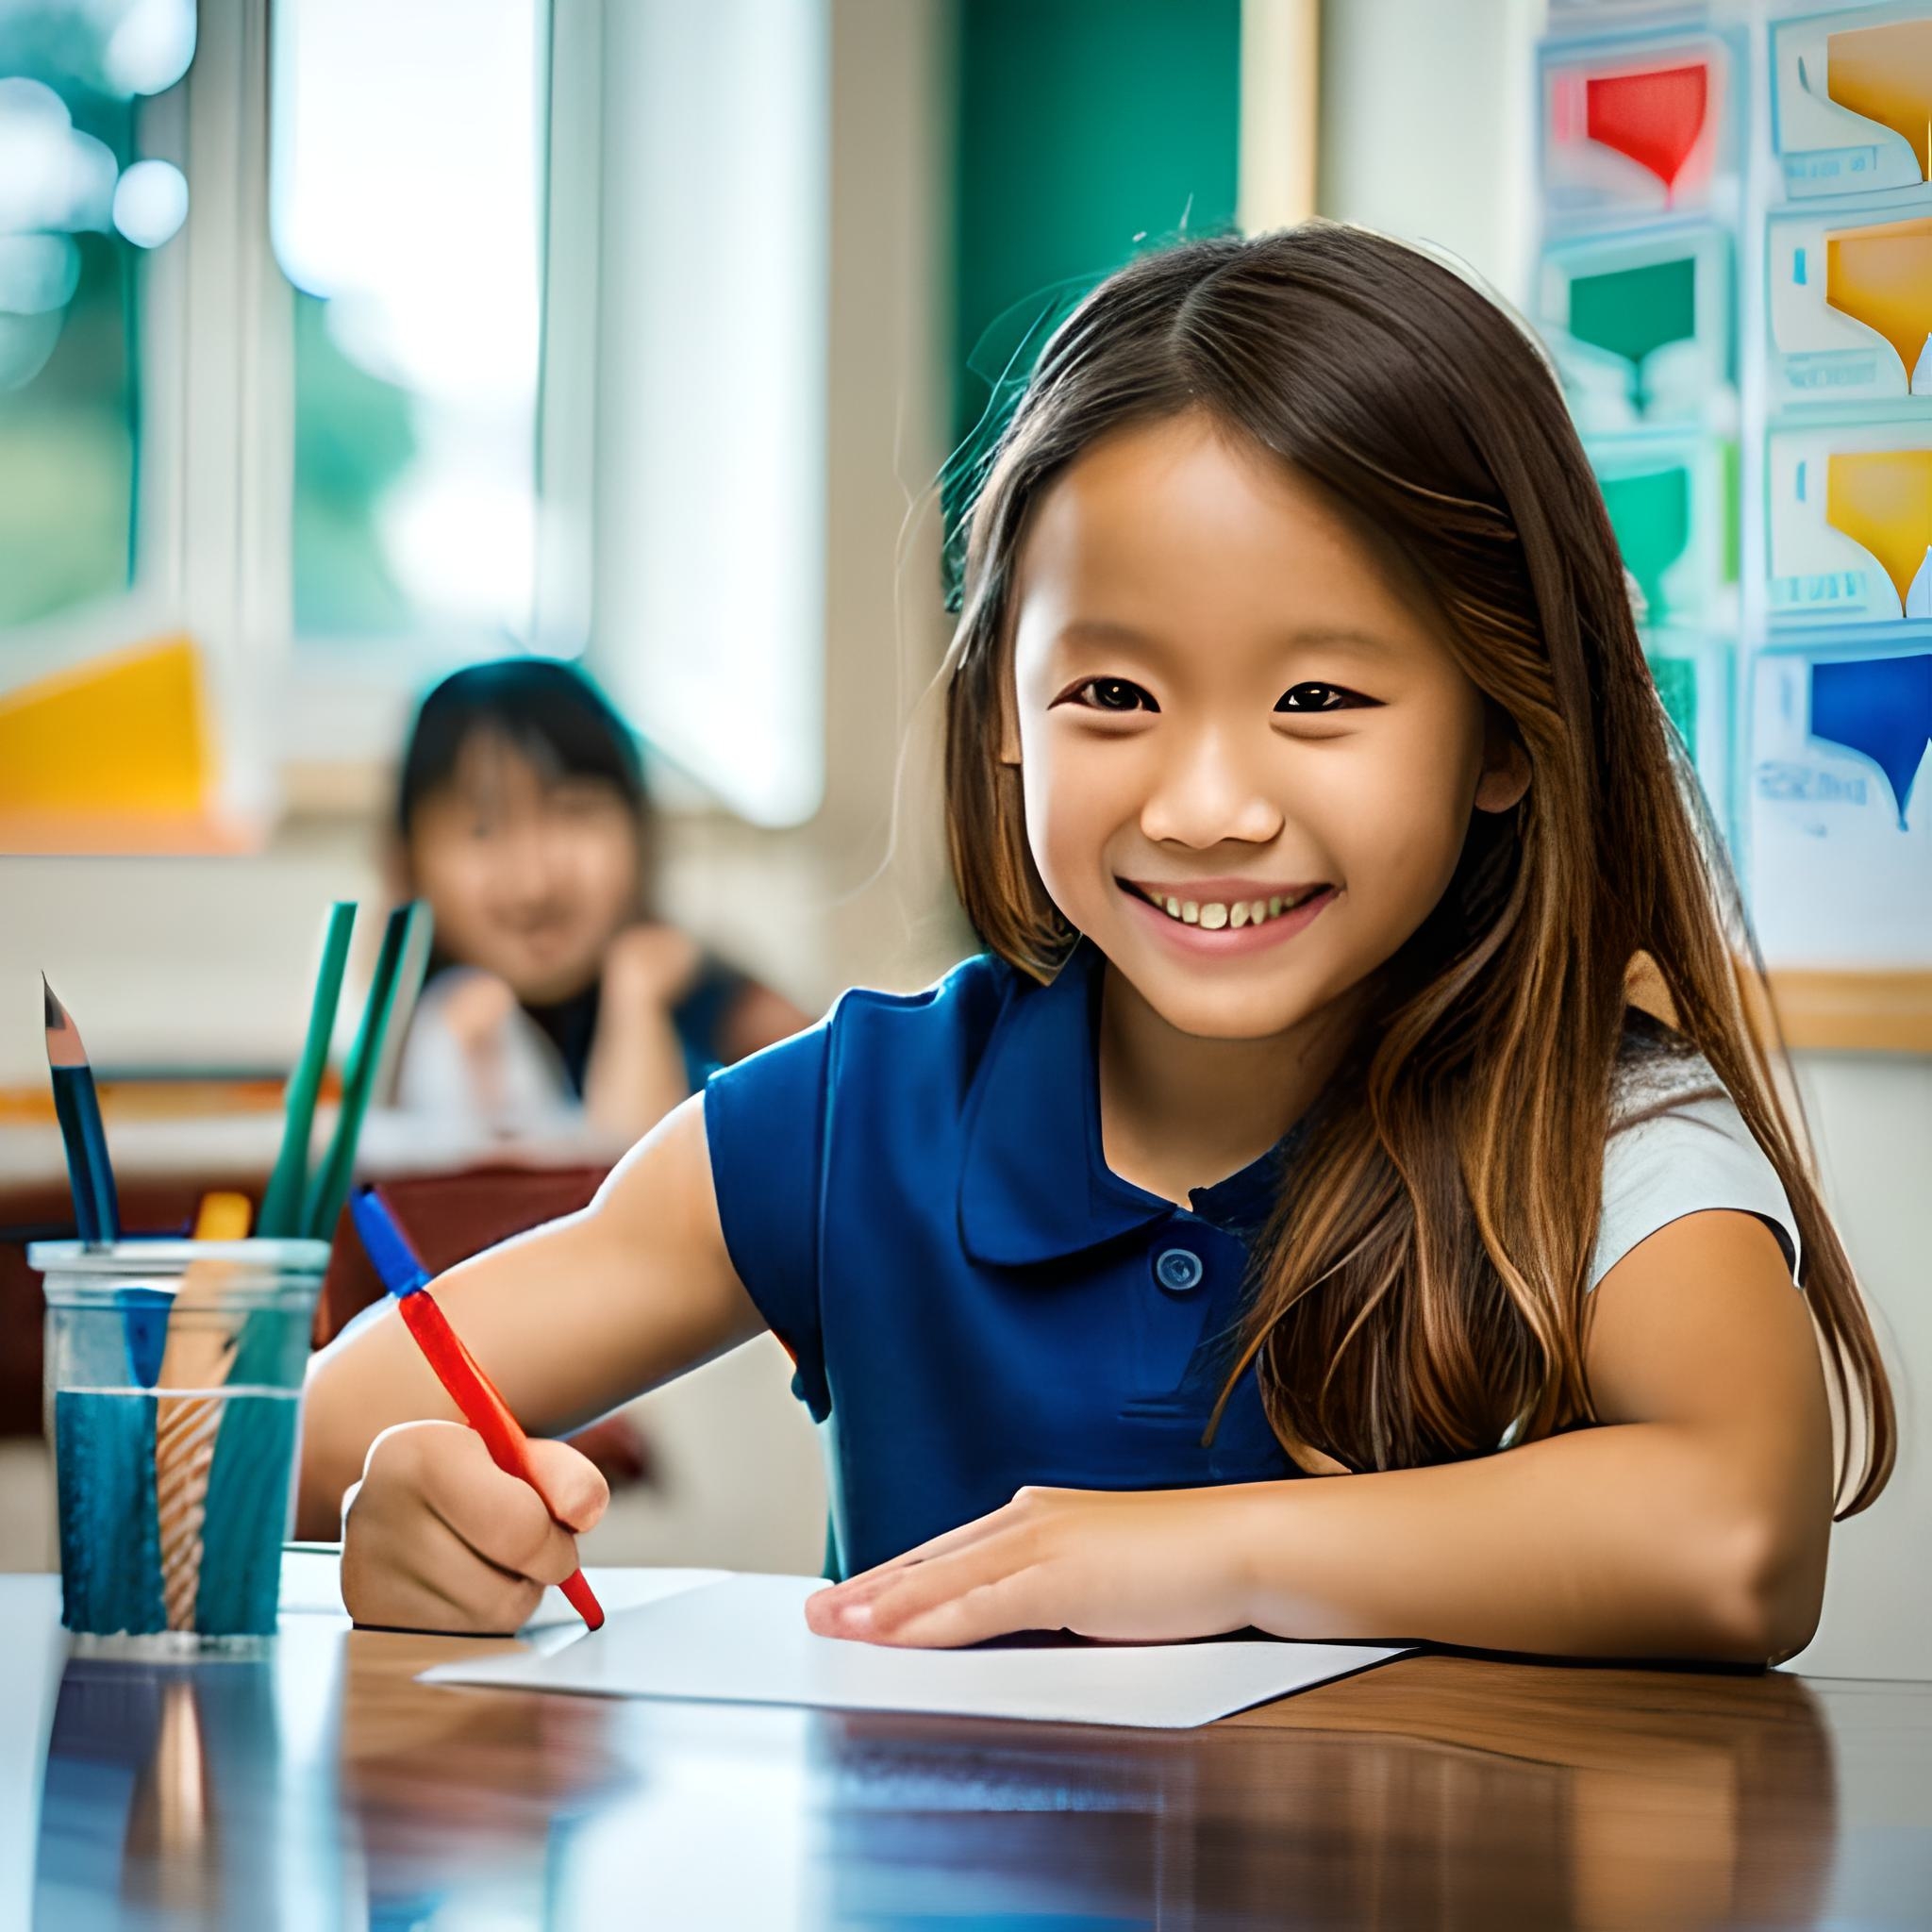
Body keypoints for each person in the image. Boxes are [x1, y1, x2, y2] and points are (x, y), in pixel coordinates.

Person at [300, 225, 1893, 1662]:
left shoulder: (1603, 1130)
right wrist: (411, 1508)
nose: (1204, 806)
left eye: (1317, 701)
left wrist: (1208, 1550)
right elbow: (331, 1422)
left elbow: (1733, 1536)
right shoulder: (858, 1113)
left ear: (1500, 732)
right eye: (1113, 697)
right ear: (1003, 709)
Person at [388, 658, 810, 1142]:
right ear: (408, 860)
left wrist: (636, 1004)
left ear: (640, 829)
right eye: (482, 828)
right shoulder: (432, 1034)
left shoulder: (743, 1024)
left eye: (575, 813)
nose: (535, 881)